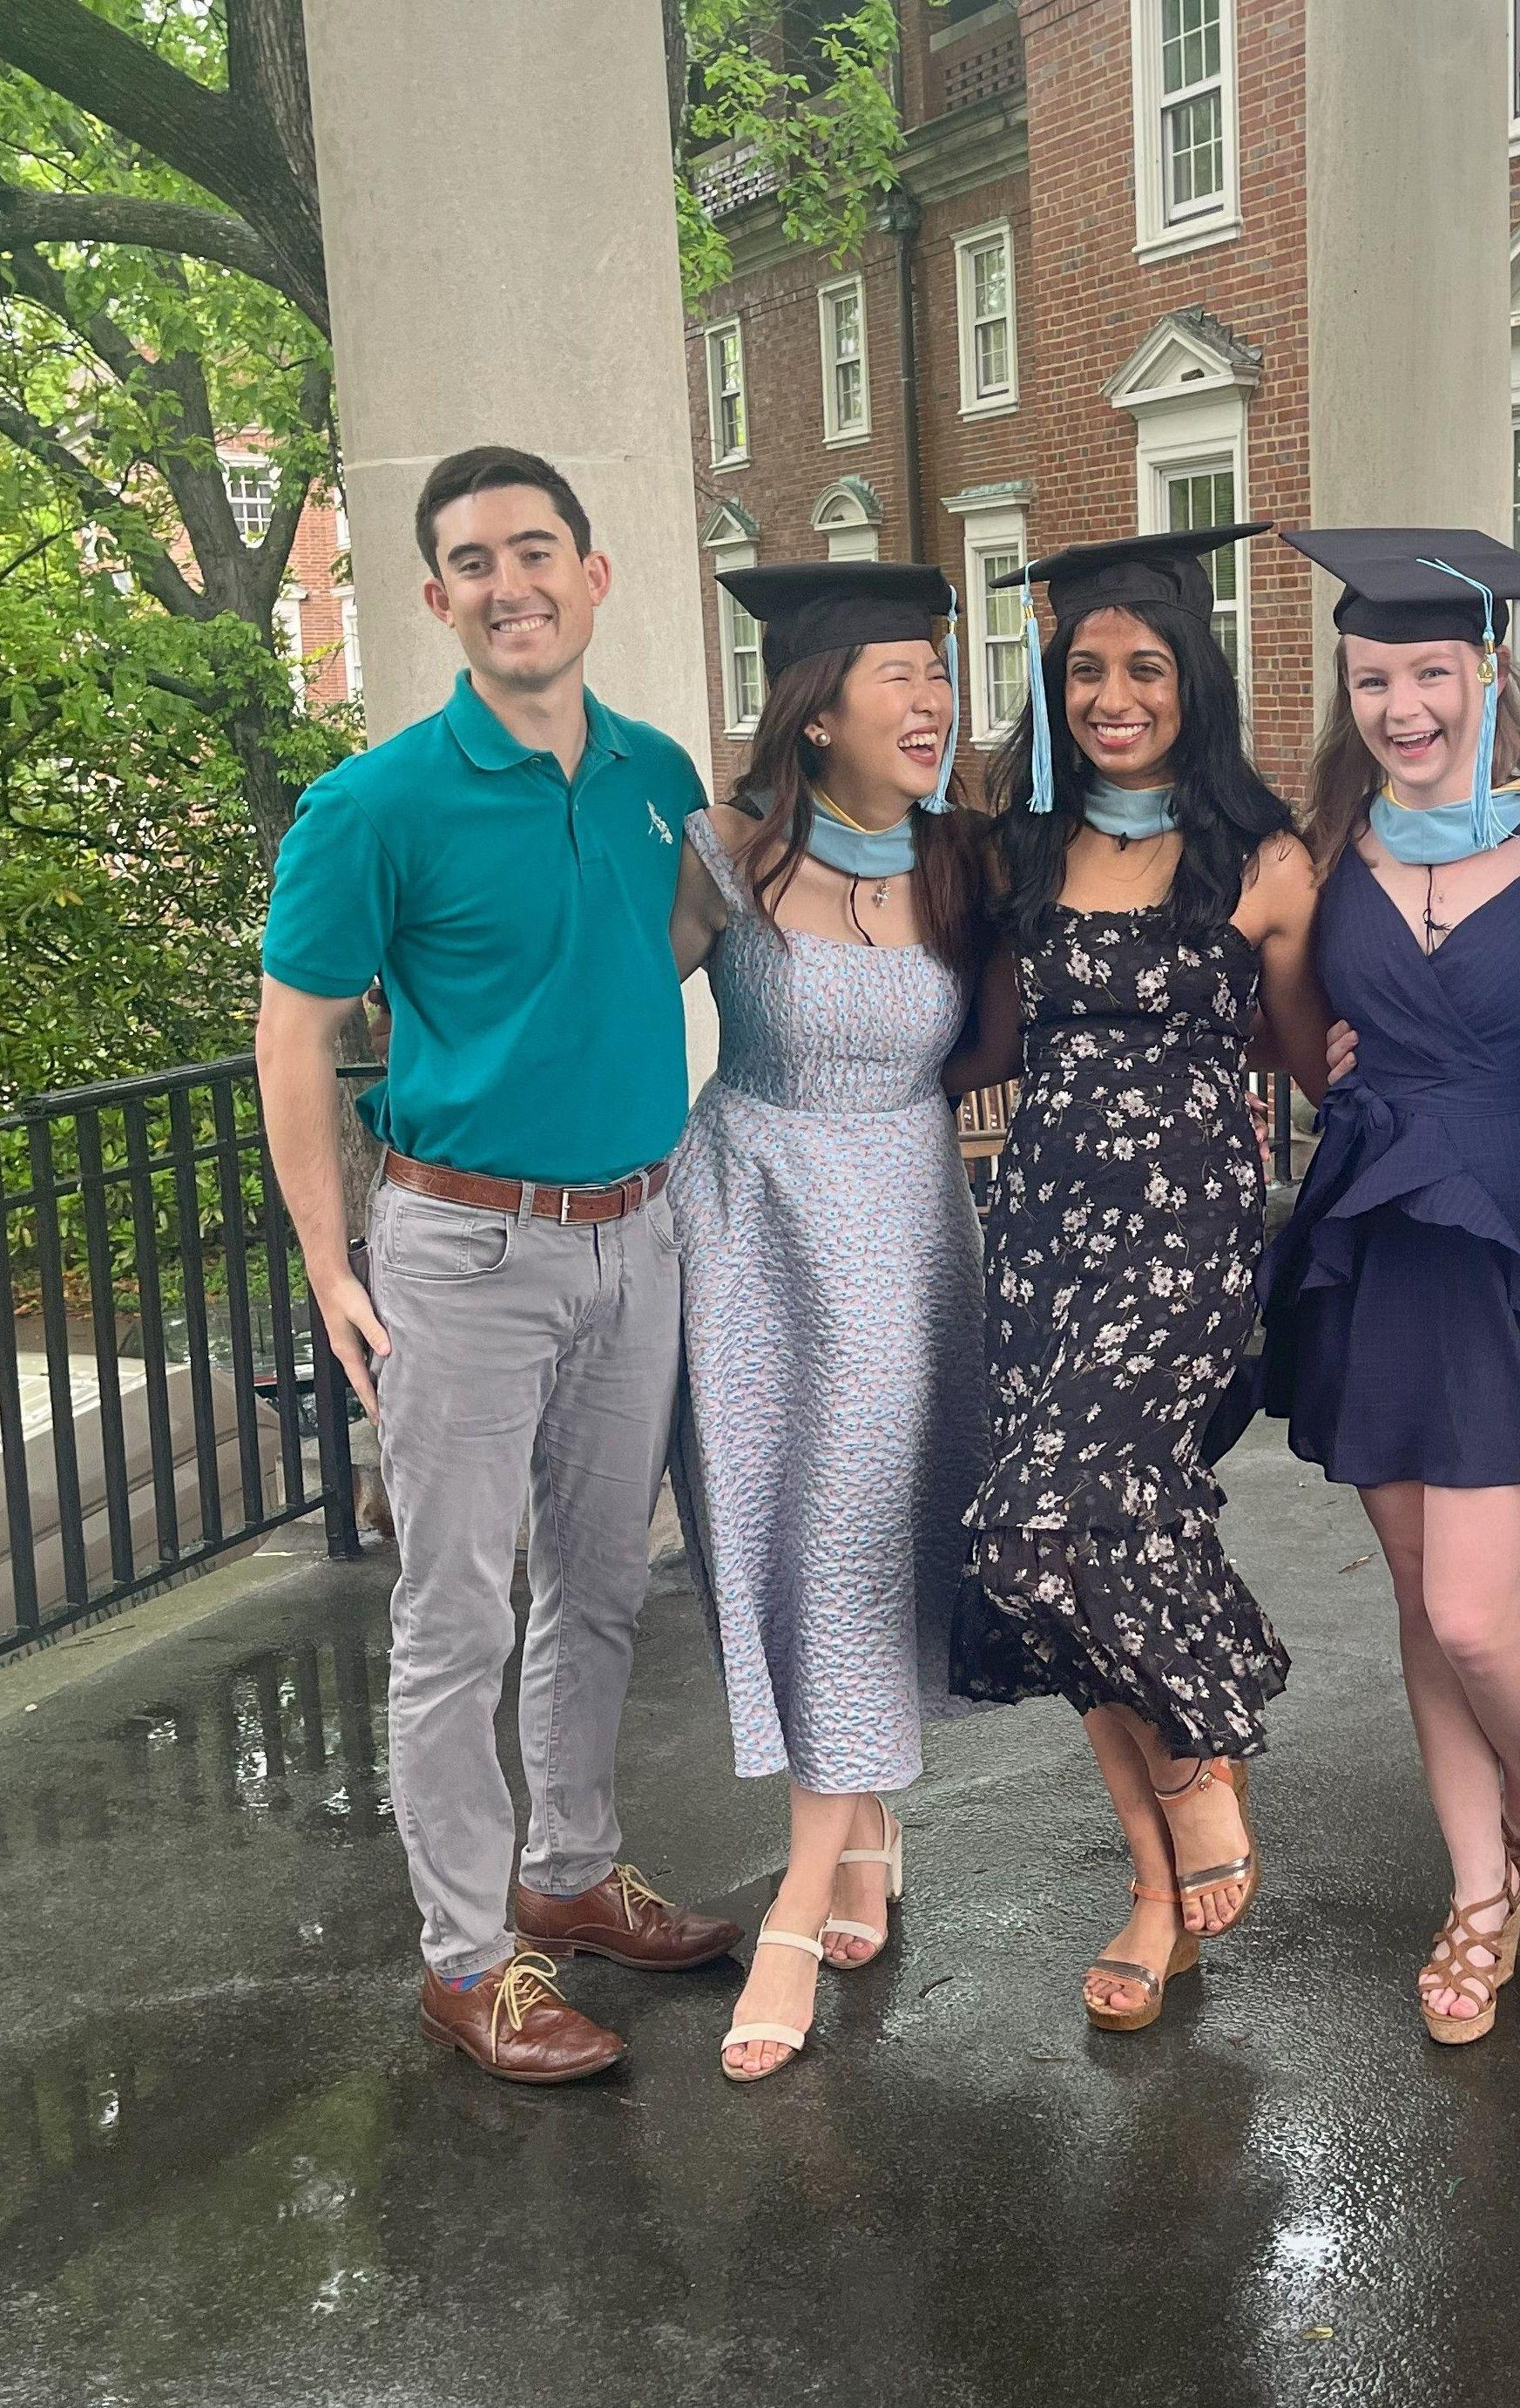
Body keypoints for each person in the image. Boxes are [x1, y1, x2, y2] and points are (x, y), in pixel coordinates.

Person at [255, 444, 740, 2087]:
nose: (510, 581)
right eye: (474, 560)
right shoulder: (371, 805)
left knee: (602, 1589)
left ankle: (572, 1873)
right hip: (463, 1251)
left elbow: (663, 942)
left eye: (537, 550)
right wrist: (335, 1268)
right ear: (437, 596)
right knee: (458, 1614)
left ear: (594, 577)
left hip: (638, 1231)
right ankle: (469, 1960)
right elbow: (295, 1037)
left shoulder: (658, 773)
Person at [948, 526, 1329, 2033]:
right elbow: (979, 1048)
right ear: (1056, 687)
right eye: (1088, 669)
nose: (1115, 694)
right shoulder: (1020, 858)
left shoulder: (1264, 861)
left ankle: (1196, 1755)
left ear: (1194, 682)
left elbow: (1312, 1058)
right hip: (1041, 1232)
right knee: (1059, 1554)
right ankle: (1155, 1885)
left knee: (1047, 1516)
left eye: (1146, 667)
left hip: (1183, 1245)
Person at [667, 558, 1003, 2083]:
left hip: (908, 1232)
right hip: (751, 1225)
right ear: (815, 715)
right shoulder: (728, 858)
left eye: (938, 675)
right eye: (898, 677)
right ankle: (853, 1846)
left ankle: (803, 1890)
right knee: (789, 1533)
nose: (933, 700)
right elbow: (602, 1005)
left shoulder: (964, 863)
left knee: (868, 1531)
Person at [1263, 529, 1520, 2048]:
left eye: (1431, 674)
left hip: (1510, 1231)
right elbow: (1294, 1027)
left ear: (1488, 672)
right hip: (1377, 1233)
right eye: (1374, 678)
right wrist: (1321, 1067)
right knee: (1412, 1589)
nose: (1404, 705)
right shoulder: (1329, 854)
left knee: (1474, 1612)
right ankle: (1477, 1889)